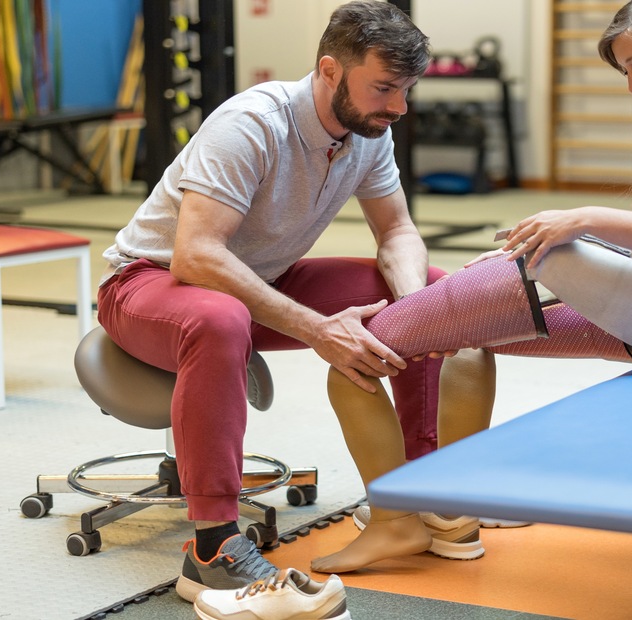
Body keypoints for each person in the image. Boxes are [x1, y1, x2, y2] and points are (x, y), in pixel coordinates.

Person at [312, 0, 632, 574]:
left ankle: (394, 524)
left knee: (360, 349)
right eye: (624, 71)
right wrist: (515, 263)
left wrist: (580, 221)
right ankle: (454, 515)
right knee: (473, 333)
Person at [94, 1, 484, 605]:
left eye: (406, 90)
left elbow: (399, 234)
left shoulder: (367, 132)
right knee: (220, 314)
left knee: (427, 288)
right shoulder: (253, 124)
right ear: (330, 70)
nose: (398, 108)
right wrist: (318, 328)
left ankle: (414, 501)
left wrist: (415, 309)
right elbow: (196, 255)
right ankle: (212, 549)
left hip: (260, 275)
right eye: (384, 88)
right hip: (150, 282)